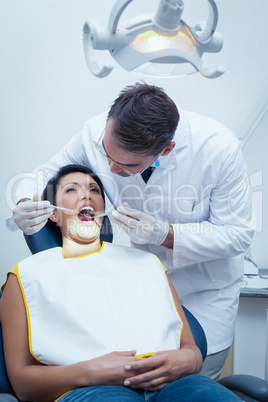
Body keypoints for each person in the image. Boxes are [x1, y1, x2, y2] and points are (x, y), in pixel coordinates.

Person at [8, 83, 255, 380]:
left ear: (165, 150)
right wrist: (25, 200)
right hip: (140, 309)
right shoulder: (94, 133)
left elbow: (238, 234)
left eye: (125, 166)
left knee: (192, 384)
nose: (109, 170)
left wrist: (165, 234)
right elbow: (44, 174)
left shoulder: (218, 149)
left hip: (203, 292)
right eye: (106, 155)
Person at [0, 164, 241, 402]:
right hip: (92, 388)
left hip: (176, 384)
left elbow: (190, 347)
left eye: (94, 190)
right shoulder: (26, 275)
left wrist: (193, 359)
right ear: (53, 212)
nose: (87, 195)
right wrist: (90, 372)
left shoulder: (148, 263)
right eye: (72, 190)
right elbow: (22, 384)